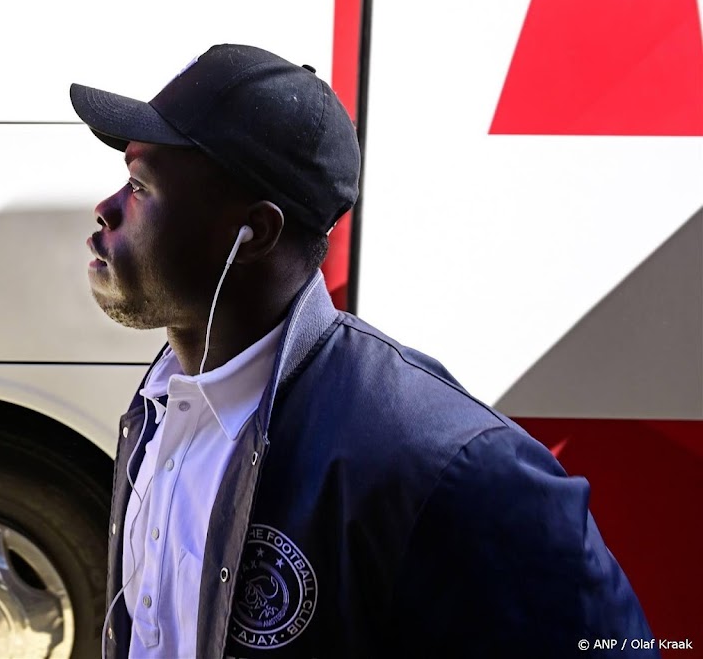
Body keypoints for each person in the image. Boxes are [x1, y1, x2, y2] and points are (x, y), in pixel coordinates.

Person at [70, 43, 656, 659]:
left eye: (140, 185)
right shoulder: (163, 405)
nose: (106, 208)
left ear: (254, 234)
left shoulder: (450, 468)